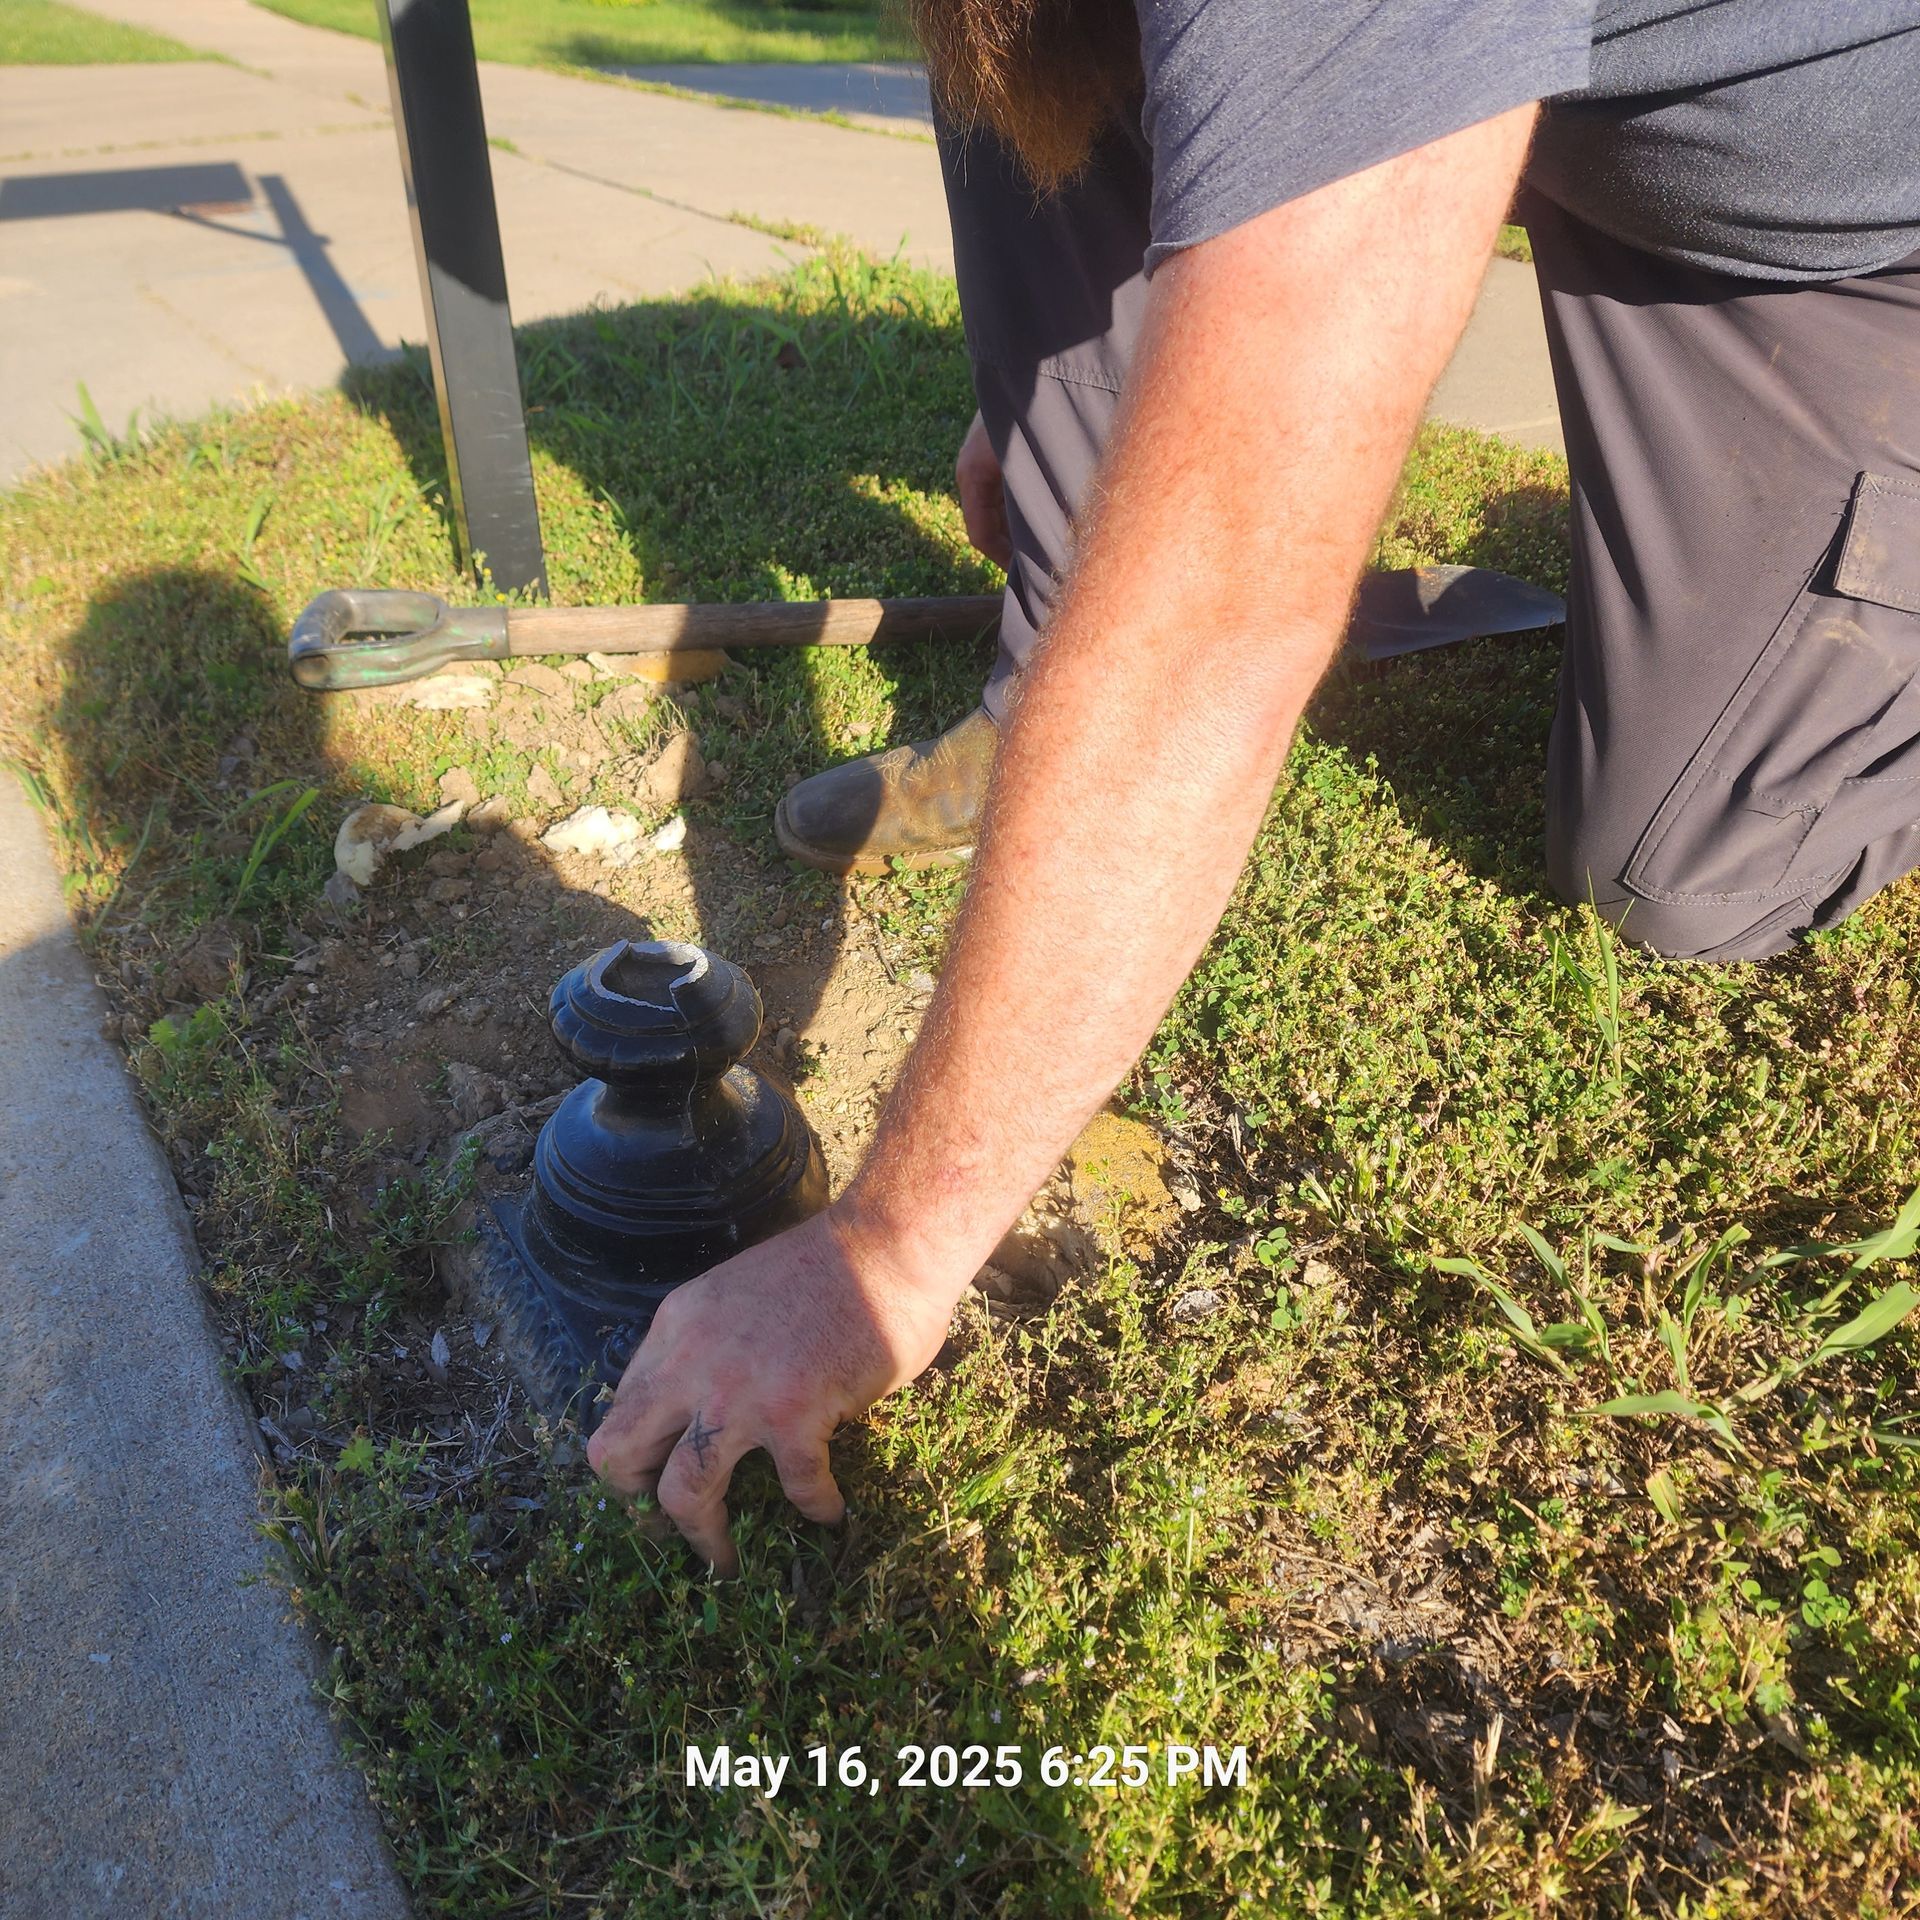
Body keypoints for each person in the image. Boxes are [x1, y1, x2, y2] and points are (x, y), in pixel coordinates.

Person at [591, 0, 1920, 1572]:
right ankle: (1044, 694)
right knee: (1023, 32)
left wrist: (887, 1250)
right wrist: (1055, 408)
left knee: (1692, 864)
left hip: (1824, 239)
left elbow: (1220, 606)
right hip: (1574, 97)